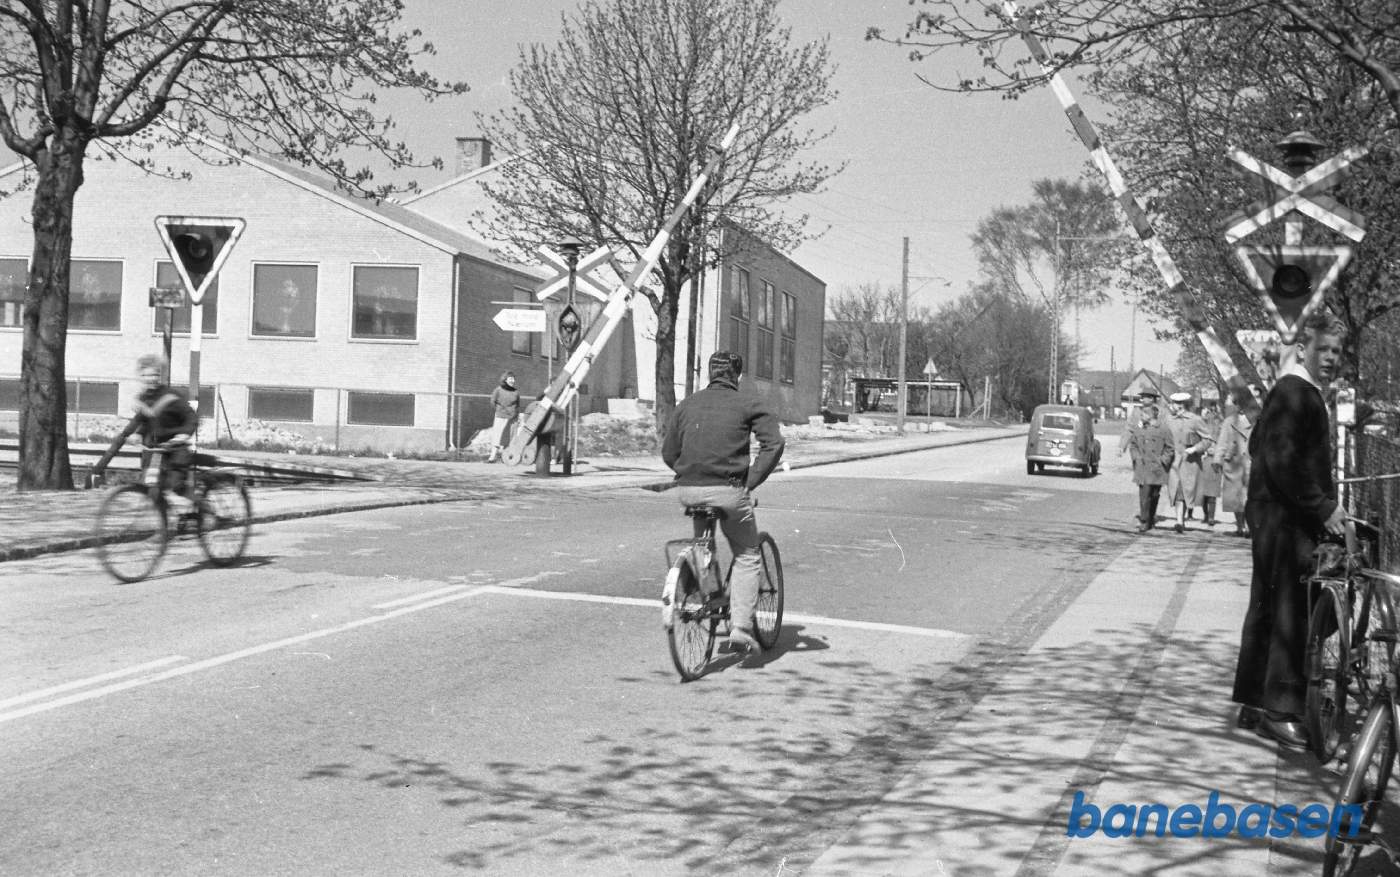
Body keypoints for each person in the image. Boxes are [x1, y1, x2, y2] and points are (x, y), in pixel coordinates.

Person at [1231, 312, 1348, 748]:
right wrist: (1322, 507)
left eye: (1338, 351)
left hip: (1274, 513)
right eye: (1325, 349)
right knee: (1290, 610)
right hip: (1285, 518)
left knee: (1267, 604)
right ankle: (1280, 709)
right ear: (1303, 349)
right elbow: (1280, 459)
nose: (1333, 358)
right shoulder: (1296, 393)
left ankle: (1255, 701)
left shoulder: (1291, 392)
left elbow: (1257, 443)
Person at [661, 351, 785, 655]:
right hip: (729, 491)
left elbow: (668, 452)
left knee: (704, 545)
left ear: (710, 374)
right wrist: (751, 479)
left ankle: (710, 592)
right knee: (747, 553)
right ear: (737, 376)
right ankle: (741, 628)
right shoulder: (748, 403)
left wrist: (689, 472)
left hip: (689, 490)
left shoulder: (687, 404)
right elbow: (774, 443)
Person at [91, 354, 198, 491]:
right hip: (155, 451)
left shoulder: (171, 396)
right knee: (150, 489)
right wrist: (139, 434)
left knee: (175, 488)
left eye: (154, 375)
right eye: (146, 375)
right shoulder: (143, 399)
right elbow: (143, 424)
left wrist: (184, 434)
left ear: (159, 376)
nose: (151, 379)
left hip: (176, 449)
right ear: (140, 377)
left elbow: (191, 417)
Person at [1163, 392, 1212, 533]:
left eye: (1174, 403)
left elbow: (1208, 439)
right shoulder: (1168, 419)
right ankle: (1179, 521)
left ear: (1182, 405)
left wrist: (1195, 449)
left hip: (1190, 463)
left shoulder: (1195, 420)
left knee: (1186, 491)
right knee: (1177, 490)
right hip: (1173, 462)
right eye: (1172, 403)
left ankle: (1181, 520)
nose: (1172, 406)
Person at [1127, 403, 1174, 532]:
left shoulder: (1163, 429)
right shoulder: (1139, 429)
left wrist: (1163, 461)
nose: (1141, 416)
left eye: (1143, 414)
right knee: (1144, 495)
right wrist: (1136, 457)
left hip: (1157, 469)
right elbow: (1133, 445)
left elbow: (1170, 448)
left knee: (1154, 495)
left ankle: (1151, 517)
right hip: (1143, 468)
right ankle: (1144, 520)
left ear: (1151, 415)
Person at [1213, 398, 1253, 537]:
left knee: (1248, 496)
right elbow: (1222, 442)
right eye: (1238, 403)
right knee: (1235, 497)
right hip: (1233, 463)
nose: (1241, 406)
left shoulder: (1257, 420)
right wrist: (1217, 459)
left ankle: (1249, 527)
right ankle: (1239, 526)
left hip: (1250, 463)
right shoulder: (1229, 421)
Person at [485, 371, 520, 463]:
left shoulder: (516, 392)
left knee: (510, 437)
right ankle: (492, 457)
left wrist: (515, 413)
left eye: (513, 379)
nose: (513, 380)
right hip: (500, 416)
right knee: (497, 436)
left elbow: (517, 404)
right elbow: (493, 401)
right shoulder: (498, 390)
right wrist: (498, 410)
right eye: (510, 379)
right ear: (505, 379)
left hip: (512, 418)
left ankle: (506, 457)